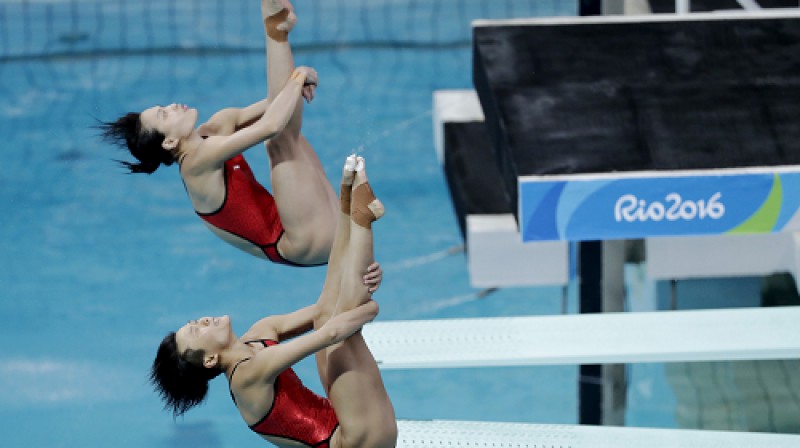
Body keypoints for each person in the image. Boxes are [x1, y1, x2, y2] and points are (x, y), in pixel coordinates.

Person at [150, 155, 398, 448]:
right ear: (210, 359)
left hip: (350, 421)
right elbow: (331, 334)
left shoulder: (259, 333)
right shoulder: (246, 377)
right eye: (196, 331)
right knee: (337, 333)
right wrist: (370, 307)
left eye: (194, 322)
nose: (202, 321)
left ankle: (349, 209)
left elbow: (323, 310)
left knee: (328, 313)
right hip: (357, 443)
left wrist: (362, 291)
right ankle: (362, 221)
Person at [99, 0, 338, 266]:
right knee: (279, 142)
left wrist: (298, 80)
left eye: (163, 107)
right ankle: (275, 32)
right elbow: (272, 126)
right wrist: (298, 77)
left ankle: (277, 30)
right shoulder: (196, 164)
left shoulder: (216, 128)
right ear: (169, 141)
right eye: (165, 115)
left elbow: (276, 102)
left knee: (285, 132)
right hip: (303, 245)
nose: (173, 105)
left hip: (326, 226)